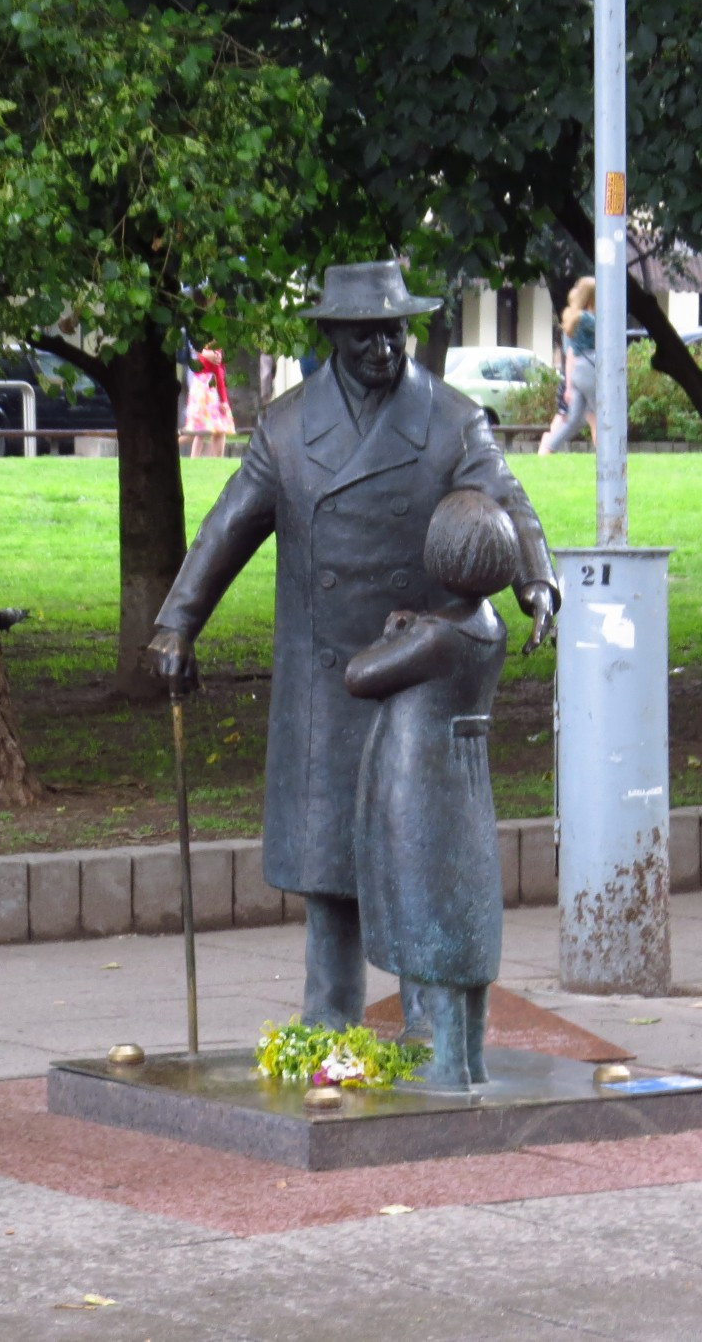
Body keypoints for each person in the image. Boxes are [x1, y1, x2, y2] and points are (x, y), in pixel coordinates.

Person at [145, 260, 559, 1030]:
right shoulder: (287, 427)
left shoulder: (449, 419)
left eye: (396, 329)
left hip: (412, 687)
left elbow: (506, 500)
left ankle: (429, 1037)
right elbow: (229, 528)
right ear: (334, 334)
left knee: (418, 870)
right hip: (325, 687)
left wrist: (535, 581)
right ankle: (327, 1037)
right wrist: (178, 621)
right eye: (368, 332)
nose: (385, 346)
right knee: (330, 880)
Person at [344, 488, 517, 1090]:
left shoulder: (436, 639)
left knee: (432, 916)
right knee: (465, 919)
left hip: (418, 785)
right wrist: (410, 629)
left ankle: (447, 1064)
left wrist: (396, 637)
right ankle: (469, 1061)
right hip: (463, 784)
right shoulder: (489, 626)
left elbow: (360, 676)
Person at [538, 276, 597, 455]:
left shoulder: (571, 318)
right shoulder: (586, 319)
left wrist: (569, 385)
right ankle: (606, 453)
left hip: (576, 372)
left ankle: (547, 450)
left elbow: (570, 354)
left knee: (573, 420)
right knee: (601, 416)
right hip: (589, 369)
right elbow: (607, 329)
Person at [182, 344, 235, 458]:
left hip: (200, 388)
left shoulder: (205, 350)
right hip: (208, 392)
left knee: (201, 430)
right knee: (217, 427)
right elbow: (218, 377)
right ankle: (215, 459)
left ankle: (196, 458)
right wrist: (223, 401)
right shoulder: (213, 352)